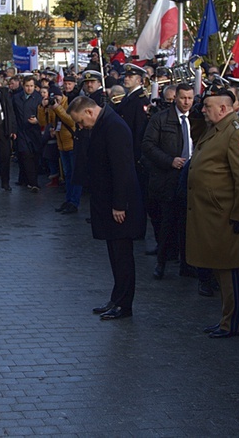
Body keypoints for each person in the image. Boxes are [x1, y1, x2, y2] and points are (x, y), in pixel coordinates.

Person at [187, 89, 239, 338]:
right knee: (221, 268)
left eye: (207, 106)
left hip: (226, 216)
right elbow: (199, 139)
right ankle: (227, 320)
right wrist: (197, 117)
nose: (204, 109)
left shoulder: (236, 133)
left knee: (231, 272)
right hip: (214, 215)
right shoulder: (217, 129)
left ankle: (233, 323)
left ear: (224, 108)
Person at [68, 96, 145, 320]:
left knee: (122, 256)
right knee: (114, 254)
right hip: (108, 202)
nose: (80, 126)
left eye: (81, 121)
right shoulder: (103, 124)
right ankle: (116, 298)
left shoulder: (114, 127)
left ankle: (124, 304)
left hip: (119, 205)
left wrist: (119, 204)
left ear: (90, 112)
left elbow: (123, 169)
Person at [142, 83, 195, 279]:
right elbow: (148, 145)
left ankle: (187, 264)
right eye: (183, 98)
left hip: (192, 178)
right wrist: (169, 161)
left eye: (190, 98)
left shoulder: (197, 118)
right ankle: (162, 262)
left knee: (187, 225)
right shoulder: (161, 119)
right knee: (166, 224)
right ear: (175, 98)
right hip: (168, 179)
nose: (187, 102)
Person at [12, 76, 43, 192]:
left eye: (31, 86)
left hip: (34, 132)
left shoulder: (39, 98)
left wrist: (38, 121)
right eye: (27, 86)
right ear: (23, 86)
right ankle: (33, 183)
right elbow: (13, 114)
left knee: (34, 156)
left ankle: (25, 179)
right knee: (25, 155)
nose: (29, 88)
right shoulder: (16, 98)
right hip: (21, 132)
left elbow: (45, 115)